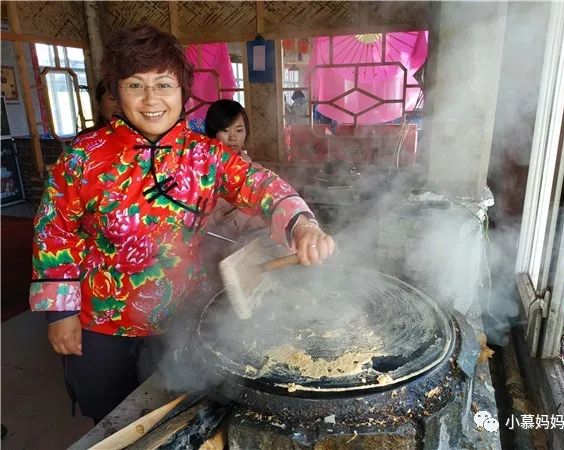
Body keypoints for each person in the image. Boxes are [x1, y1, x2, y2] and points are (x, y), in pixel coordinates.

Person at [29, 25, 335, 423]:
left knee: (181, 417)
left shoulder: (206, 155)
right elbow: (55, 231)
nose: (151, 99)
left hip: (185, 316)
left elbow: (260, 184)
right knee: (111, 422)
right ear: (116, 92)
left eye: (164, 84)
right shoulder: (84, 157)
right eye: (135, 84)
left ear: (182, 91)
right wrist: (60, 314)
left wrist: (302, 226)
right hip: (103, 321)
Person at [203, 99, 266, 239]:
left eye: (239, 130)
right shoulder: (199, 171)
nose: (233, 137)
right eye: (225, 130)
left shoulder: (253, 169)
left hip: (244, 244)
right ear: (212, 133)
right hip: (211, 246)